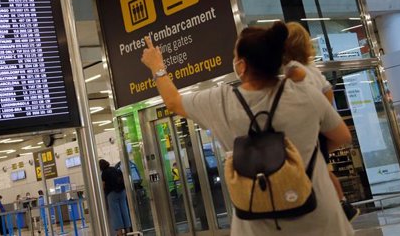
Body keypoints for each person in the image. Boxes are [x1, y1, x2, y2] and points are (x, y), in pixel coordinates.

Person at [141, 22, 354, 235]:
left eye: (235, 56)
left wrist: (157, 67)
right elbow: (342, 136)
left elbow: (173, 101)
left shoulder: (220, 101)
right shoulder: (305, 93)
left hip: (257, 228)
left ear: (241, 66)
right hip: (321, 222)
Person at [283, 21, 360, 222]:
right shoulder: (311, 67)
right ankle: (343, 204)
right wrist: (323, 114)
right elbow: (327, 91)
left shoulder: (292, 69)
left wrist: (313, 116)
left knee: (319, 168)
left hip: (307, 128)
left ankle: (340, 206)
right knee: (323, 167)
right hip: (317, 126)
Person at [100, 159, 132, 236]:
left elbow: (103, 185)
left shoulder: (104, 173)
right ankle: (128, 231)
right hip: (122, 192)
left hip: (112, 194)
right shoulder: (115, 169)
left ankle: (119, 233)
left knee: (116, 213)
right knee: (124, 210)